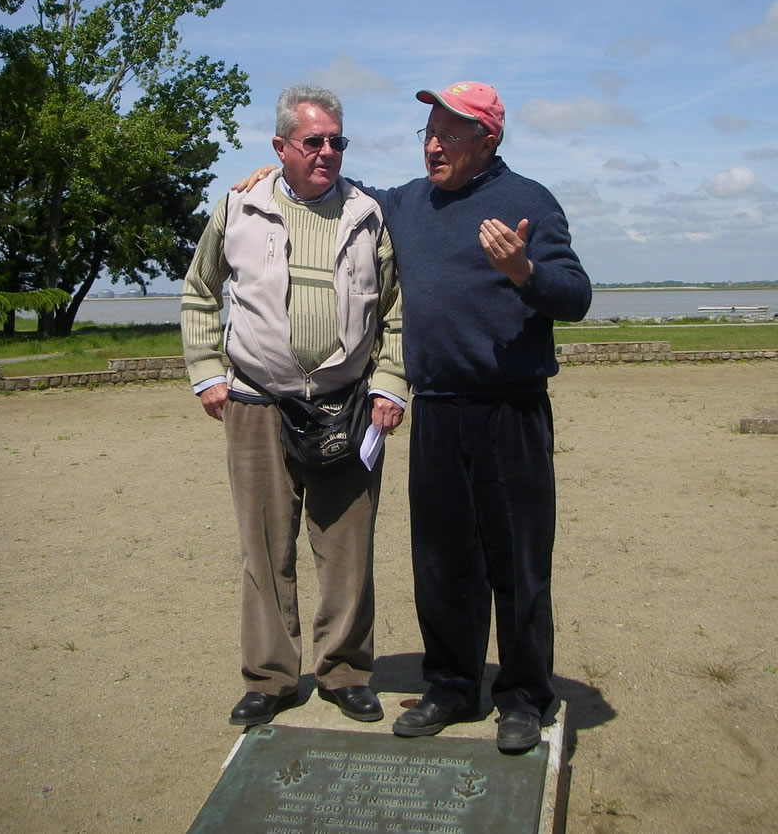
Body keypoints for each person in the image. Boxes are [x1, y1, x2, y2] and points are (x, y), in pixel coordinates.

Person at [236, 80, 591, 753]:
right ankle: (452, 687)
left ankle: (524, 696)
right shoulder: (406, 203)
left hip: (511, 410)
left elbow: (576, 296)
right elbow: (339, 189)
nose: (433, 146)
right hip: (437, 411)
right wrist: (278, 173)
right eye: (428, 133)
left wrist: (526, 273)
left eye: (449, 135)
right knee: (442, 561)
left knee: (517, 562)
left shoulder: (530, 202)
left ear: (487, 140)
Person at [181, 83, 406, 729]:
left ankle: (345, 673)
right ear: (280, 146)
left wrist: (391, 382)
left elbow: (397, 309)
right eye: (313, 141)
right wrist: (206, 371)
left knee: (347, 549)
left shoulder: (368, 214)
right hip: (256, 402)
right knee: (263, 549)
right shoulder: (238, 206)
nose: (327, 151)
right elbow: (199, 290)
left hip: (348, 405)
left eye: (337, 140)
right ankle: (270, 678)